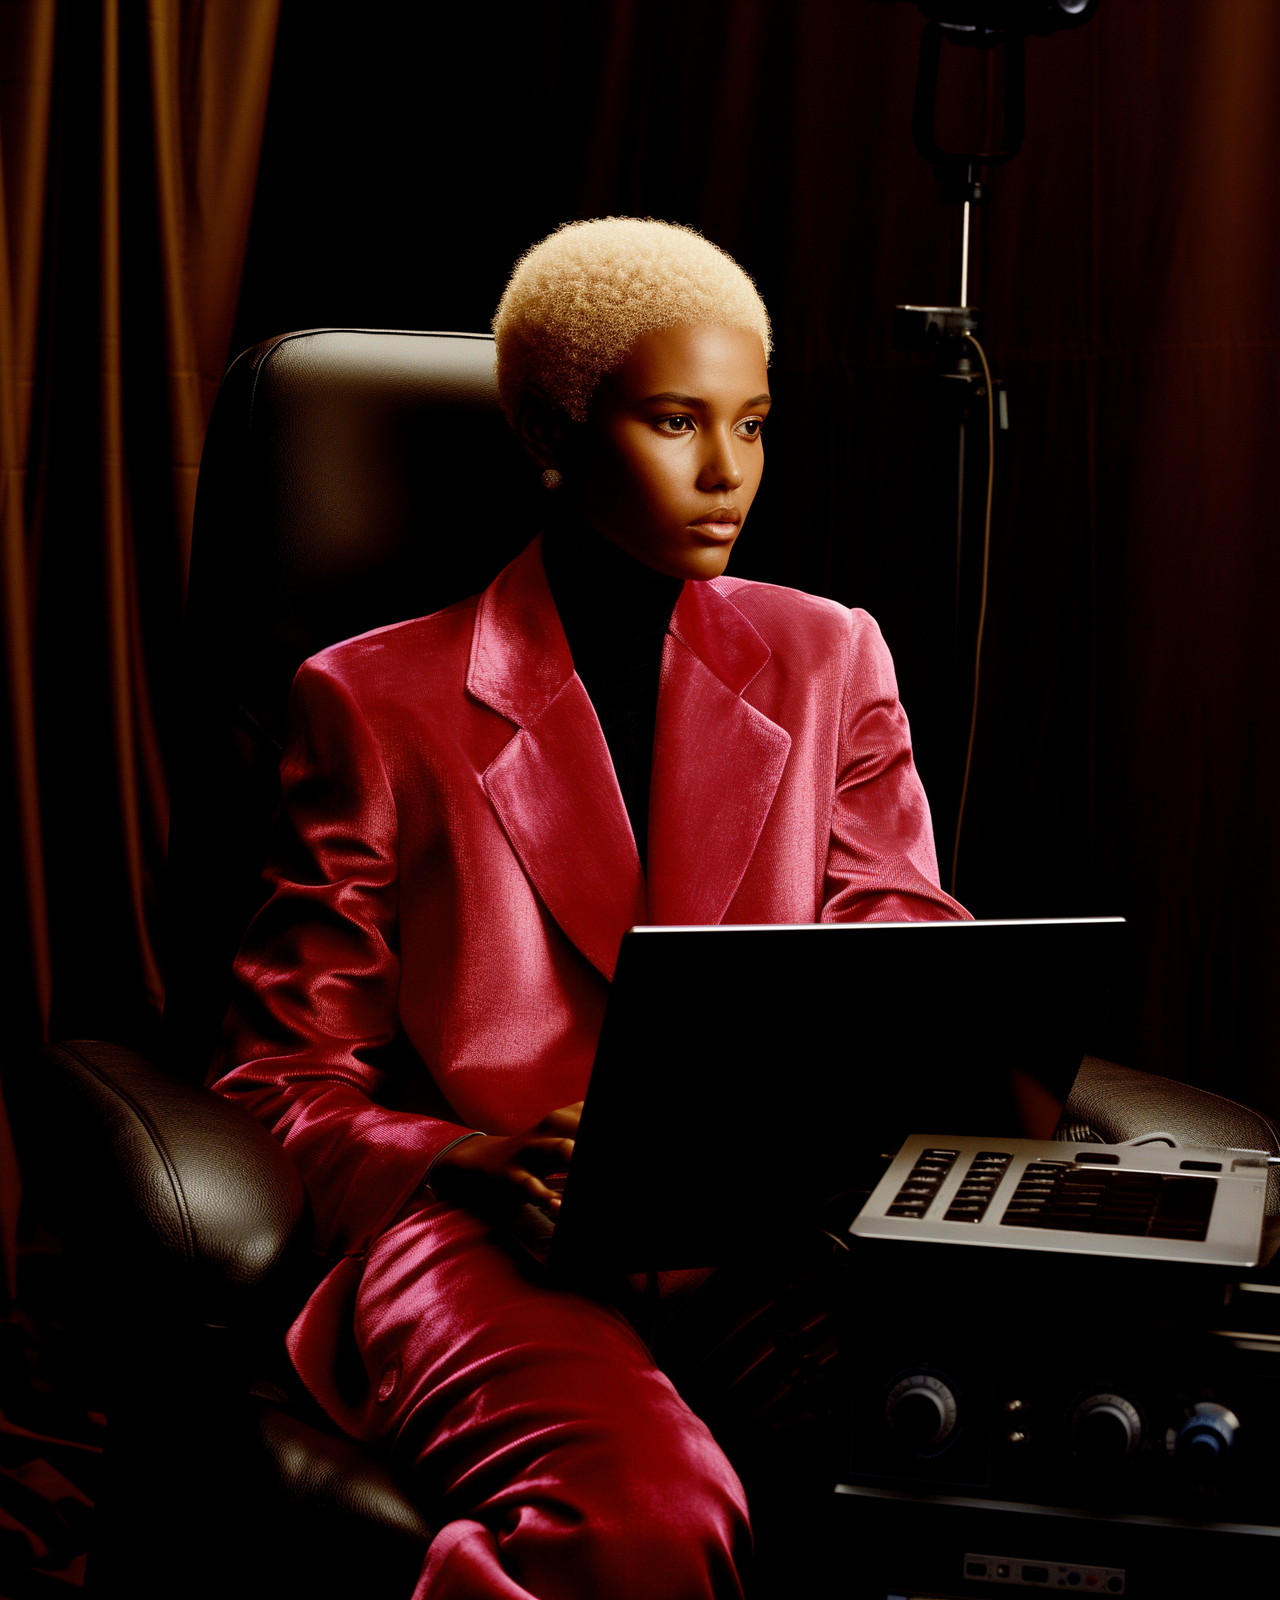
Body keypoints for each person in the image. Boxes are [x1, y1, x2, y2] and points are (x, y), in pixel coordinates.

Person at [209, 217, 969, 1600]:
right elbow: (277, 1079)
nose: (728, 471)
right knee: (646, 1523)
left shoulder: (827, 652)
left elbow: (897, 937)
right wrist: (458, 1164)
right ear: (556, 435)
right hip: (491, 1233)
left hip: (761, 1222)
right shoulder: (371, 701)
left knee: (997, 1469)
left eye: (753, 422)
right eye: (676, 421)